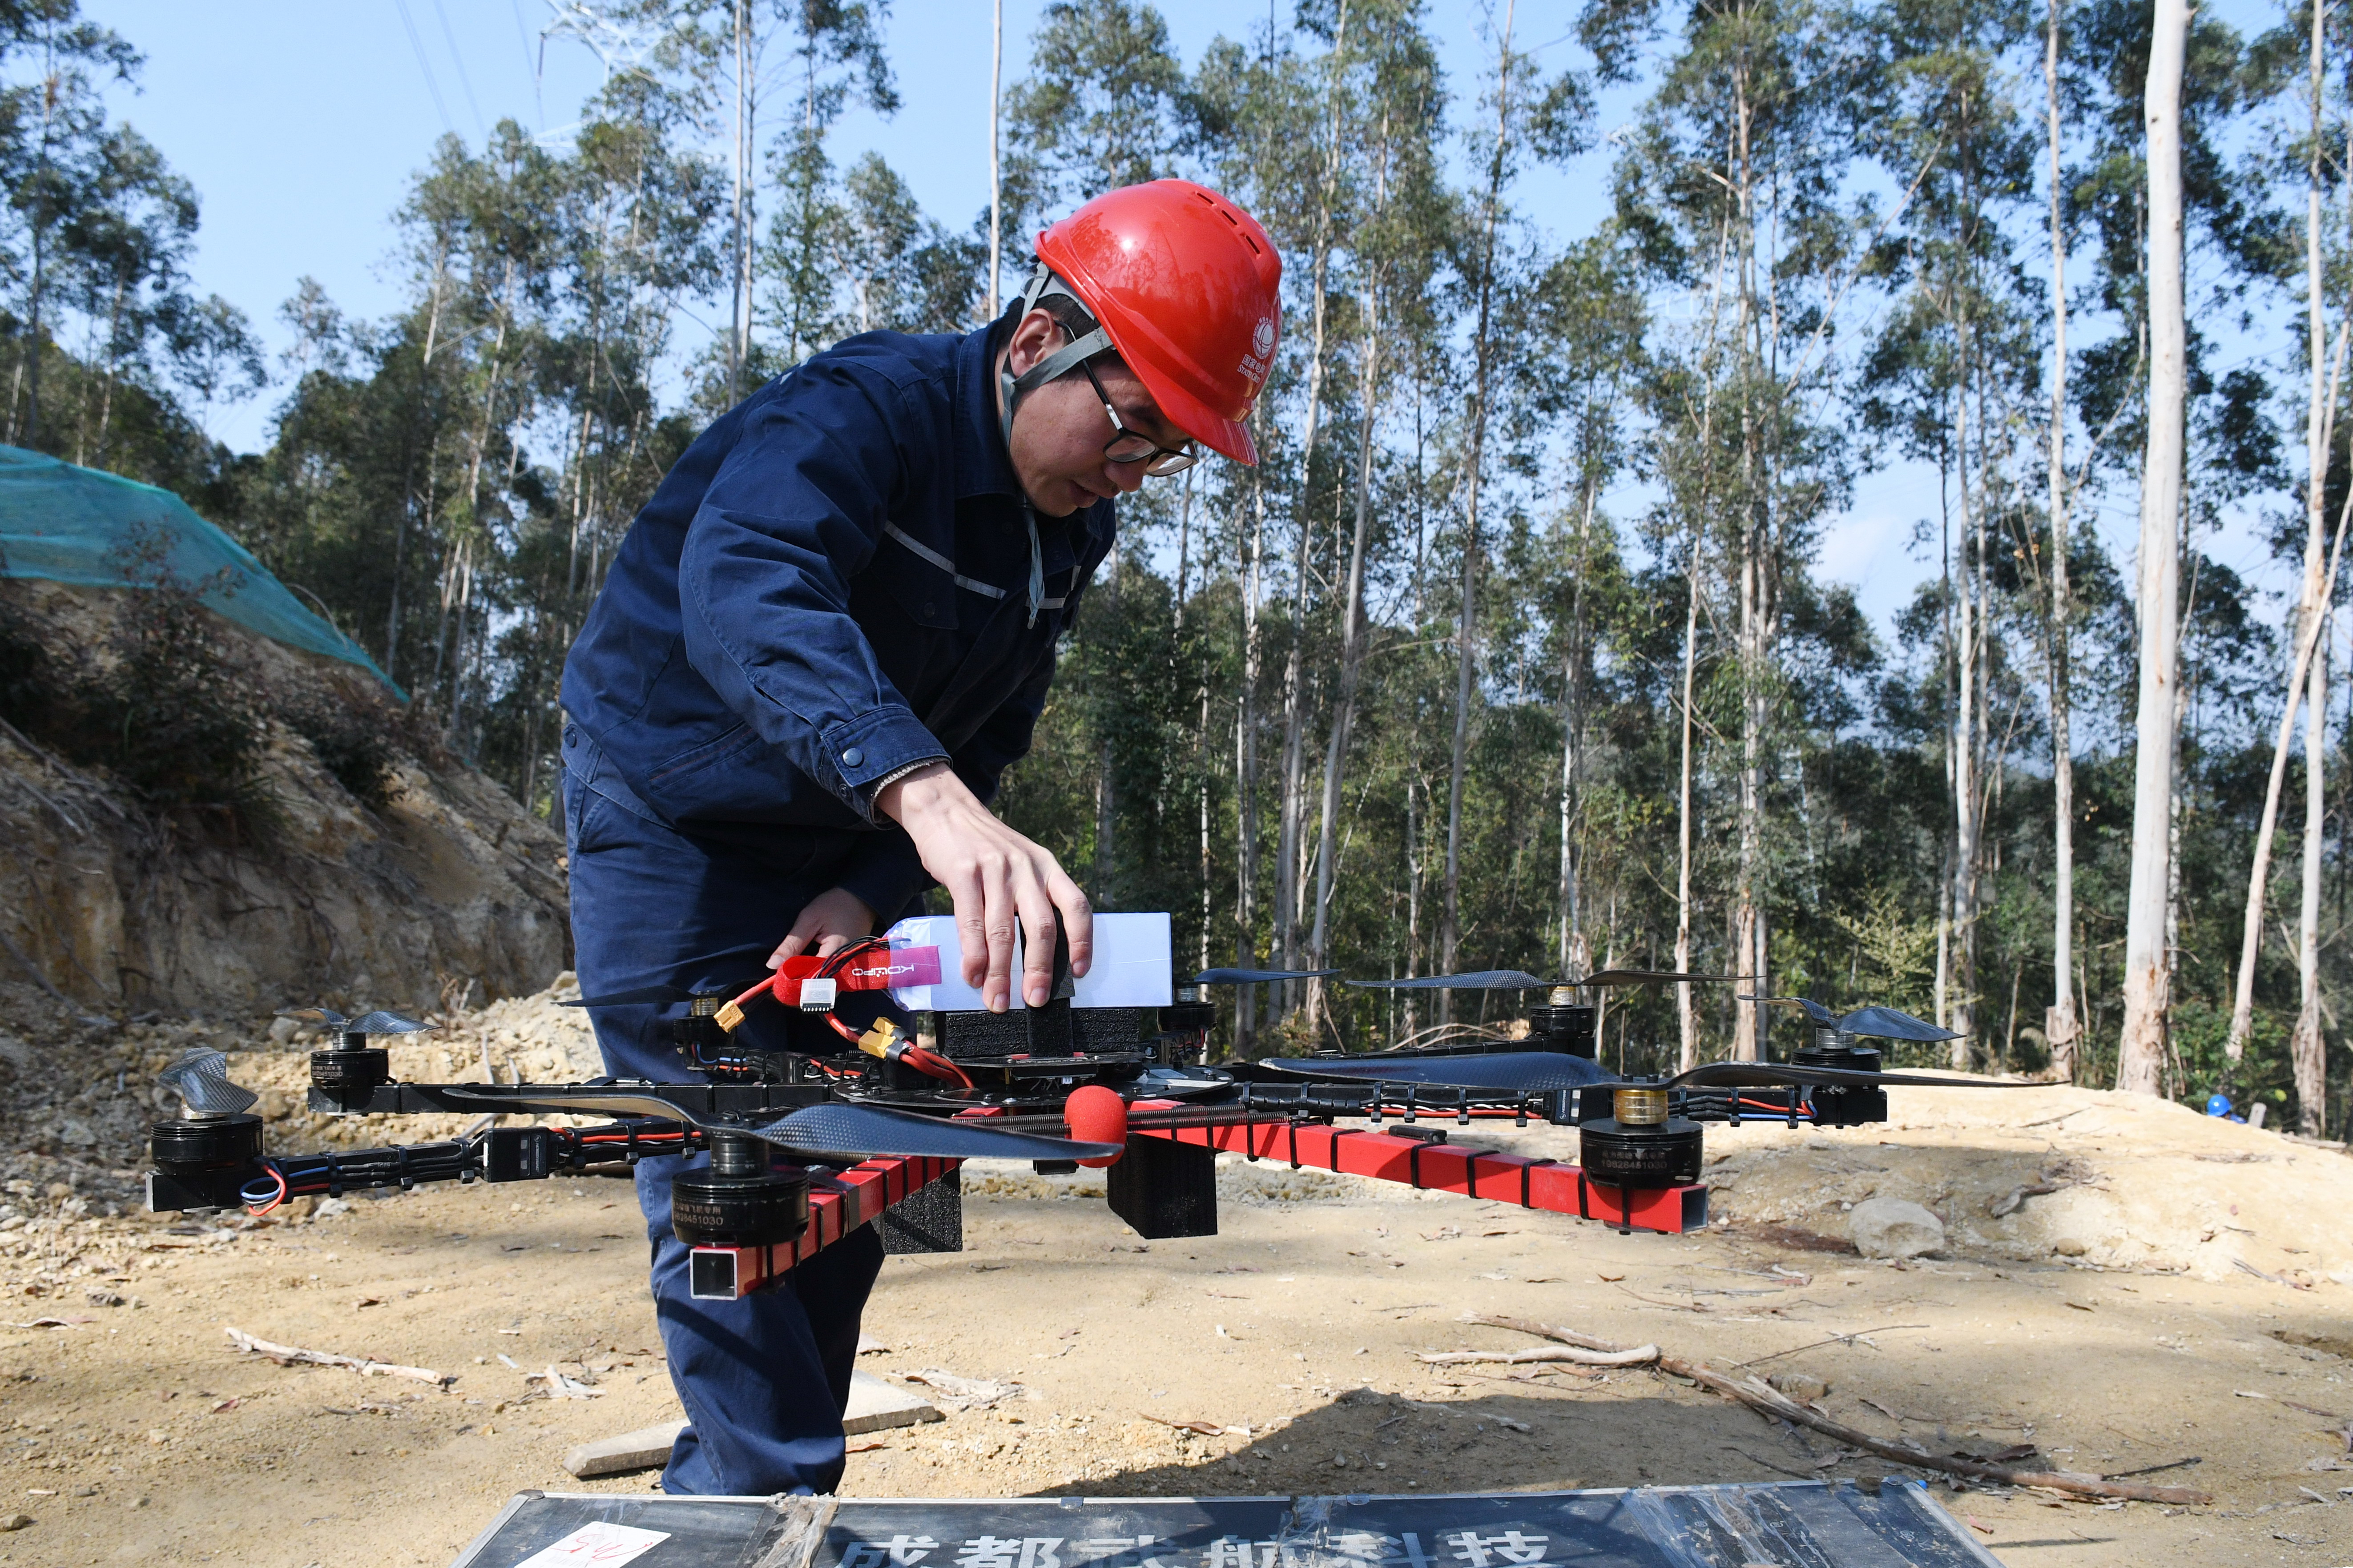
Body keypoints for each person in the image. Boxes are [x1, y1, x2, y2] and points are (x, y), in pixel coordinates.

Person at [556, 178, 1282, 1496]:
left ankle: (759, 1485)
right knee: (732, 1155)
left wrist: (868, 884)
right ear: (1035, 343)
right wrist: (925, 803)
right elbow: (748, 588)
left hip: (840, 834)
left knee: (844, 1158)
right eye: (1131, 426)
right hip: (676, 821)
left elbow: (988, 736)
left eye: (1167, 452)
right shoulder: (858, 414)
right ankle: (754, 1509)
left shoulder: (1070, 527)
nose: (1131, 472)